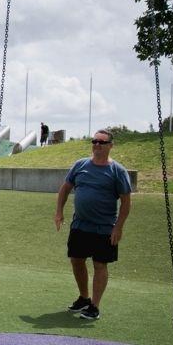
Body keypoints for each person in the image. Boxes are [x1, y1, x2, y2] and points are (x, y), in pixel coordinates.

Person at [54, 129, 132, 321]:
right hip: (80, 225)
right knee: (76, 259)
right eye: (94, 141)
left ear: (110, 146)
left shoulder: (117, 171)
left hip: (104, 227)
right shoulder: (80, 165)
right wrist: (59, 212)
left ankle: (95, 307)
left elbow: (126, 201)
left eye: (102, 142)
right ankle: (84, 297)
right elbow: (65, 188)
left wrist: (118, 227)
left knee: (99, 264)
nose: (97, 145)